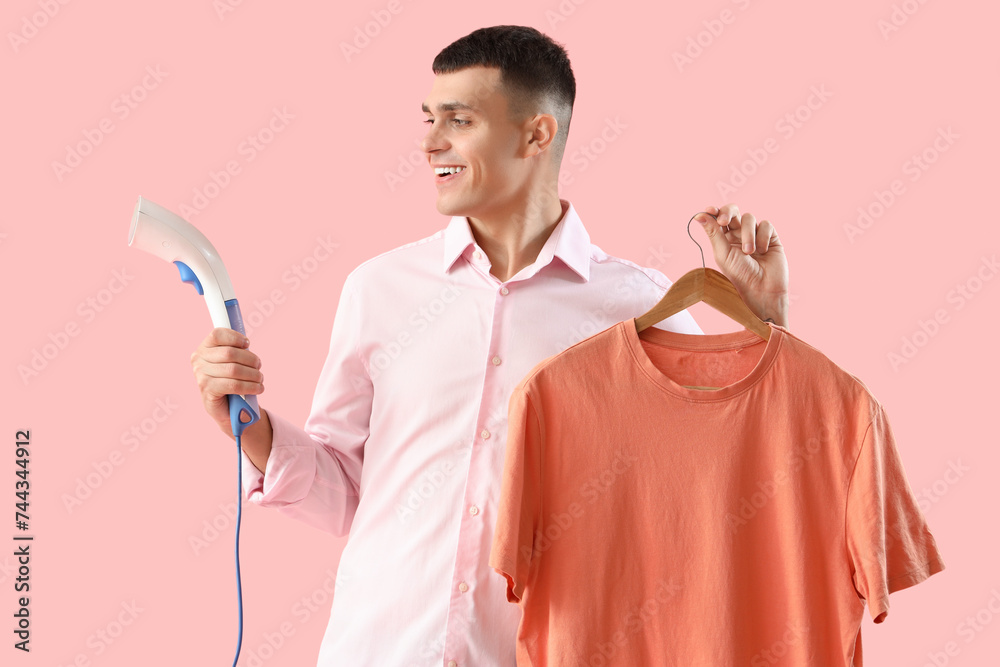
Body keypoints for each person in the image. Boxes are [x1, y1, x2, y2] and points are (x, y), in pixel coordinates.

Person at [190, 25, 789, 666]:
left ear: (537, 134)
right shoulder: (379, 289)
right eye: (428, 119)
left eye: (459, 120)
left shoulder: (640, 306)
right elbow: (345, 492)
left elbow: (733, 487)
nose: (429, 143)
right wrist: (245, 424)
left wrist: (764, 324)